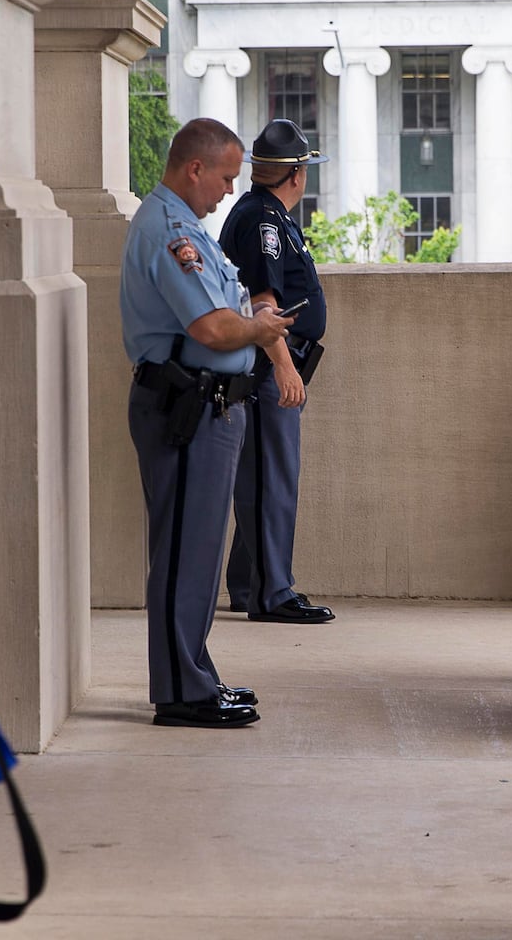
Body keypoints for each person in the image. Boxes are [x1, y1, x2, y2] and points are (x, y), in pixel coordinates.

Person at [121, 117, 296, 728]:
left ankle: (192, 673)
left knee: (195, 550)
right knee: (182, 552)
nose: (228, 190)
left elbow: (228, 304)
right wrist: (263, 330)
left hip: (205, 404)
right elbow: (213, 327)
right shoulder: (172, 231)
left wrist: (252, 322)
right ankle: (181, 691)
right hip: (187, 406)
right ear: (194, 168)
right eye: (224, 177)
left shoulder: (186, 226)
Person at [218, 119, 335, 624]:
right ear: (296, 174)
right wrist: (285, 368)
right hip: (269, 365)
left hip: (271, 362)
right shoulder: (262, 219)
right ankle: (273, 592)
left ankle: (249, 584)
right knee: (273, 478)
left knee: (263, 477)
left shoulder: (268, 214)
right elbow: (263, 300)